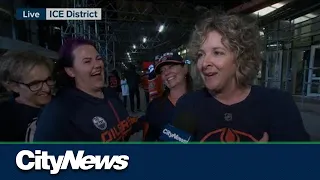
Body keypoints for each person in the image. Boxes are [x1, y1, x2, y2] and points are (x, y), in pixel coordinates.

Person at [172, 10, 310, 142]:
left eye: (217, 52)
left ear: (240, 58)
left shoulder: (278, 105)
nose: (204, 63)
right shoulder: (188, 105)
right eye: (201, 54)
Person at [34, 38, 141, 142]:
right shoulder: (58, 112)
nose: (98, 65)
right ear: (70, 71)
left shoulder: (110, 94)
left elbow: (122, 126)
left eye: (98, 59)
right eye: (87, 61)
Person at [0, 51, 54, 142]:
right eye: (35, 83)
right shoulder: (5, 119)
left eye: (48, 80)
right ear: (14, 86)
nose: (47, 89)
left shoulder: (61, 104)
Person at [143, 52, 193, 141]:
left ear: (185, 69)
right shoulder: (155, 106)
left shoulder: (203, 101)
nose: (166, 73)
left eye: (171, 66)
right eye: (162, 70)